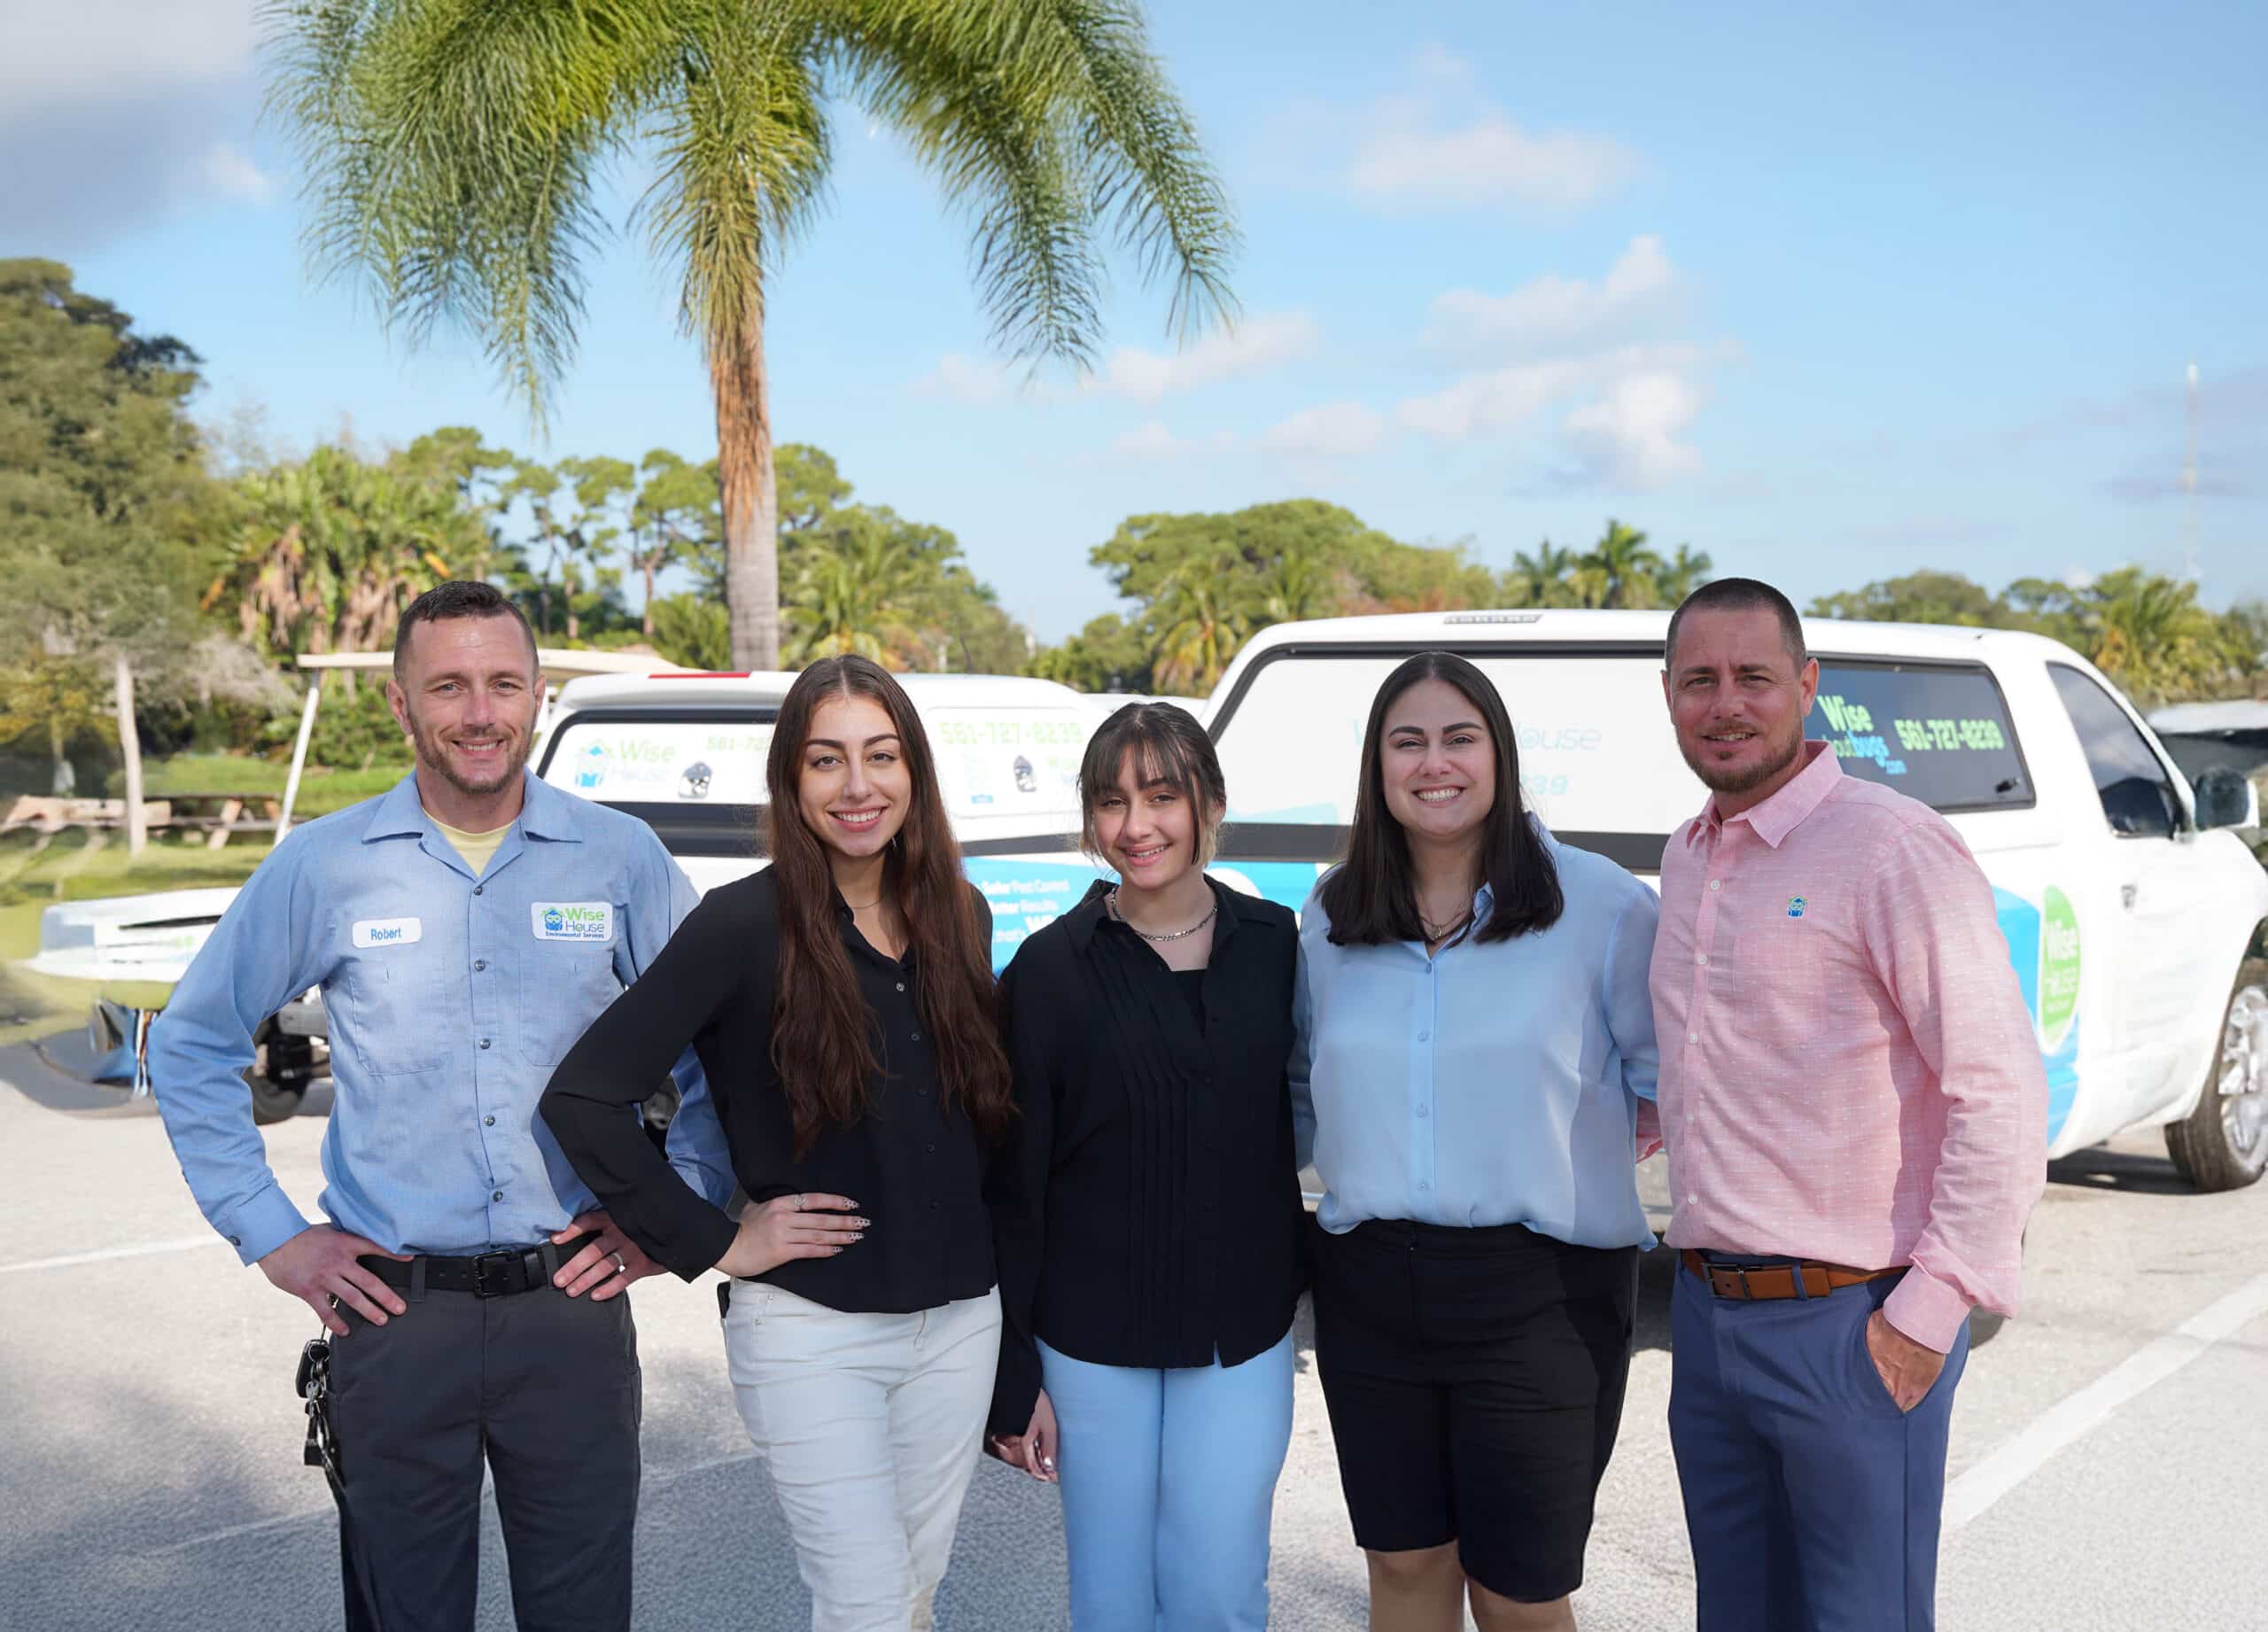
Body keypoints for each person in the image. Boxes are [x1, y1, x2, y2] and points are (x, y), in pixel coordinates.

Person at [148, 580, 725, 1632]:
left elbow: (718, 1056)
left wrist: (671, 1218)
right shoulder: (324, 867)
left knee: (584, 1613)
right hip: (392, 1319)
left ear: (539, 697)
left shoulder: (619, 859)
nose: (478, 712)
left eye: (503, 683)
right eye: (448, 686)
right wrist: (272, 1235)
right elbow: (189, 1042)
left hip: (573, 1312)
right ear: (401, 707)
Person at [540, 654, 1010, 1632]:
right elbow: (585, 1093)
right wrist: (717, 1241)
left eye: (880, 756)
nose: (857, 787)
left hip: (961, 1327)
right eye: (825, 760)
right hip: (810, 1333)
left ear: (914, 771)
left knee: (910, 1600)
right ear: (790, 782)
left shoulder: (960, 916)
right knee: (869, 1605)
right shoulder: (741, 925)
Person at [1651, 578, 2047, 1632]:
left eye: (1753, 677)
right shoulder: (1686, 858)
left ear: (1808, 687)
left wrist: (1928, 1312)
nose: (1724, 703)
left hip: (1853, 1324)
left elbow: (1999, 1089)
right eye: (1699, 680)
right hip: (1707, 1318)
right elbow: (1692, 1071)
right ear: (1666, 696)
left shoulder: (1892, 848)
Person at [1293, 652, 1660, 1632]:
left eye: (1460, 737)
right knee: (1404, 1570)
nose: (1433, 763)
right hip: (1369, 1288)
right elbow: (1302, 1081)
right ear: (1377, 767)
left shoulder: (1602, 905)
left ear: (1500, 755)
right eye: (1405, 742)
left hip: (1541, 1298)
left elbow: (1675, 1082)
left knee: (1518, 1593)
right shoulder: (1330, 916)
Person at [985, 703, 1304, 1632]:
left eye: (1161, 796)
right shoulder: (1048, 971)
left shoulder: (1278, 946)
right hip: (1088, 1345)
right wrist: (1016, 1376)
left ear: (1208, 801)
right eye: (1111, 801)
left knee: (1217, 1589)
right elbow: (1013, 1183)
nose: (1136, 826)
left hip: (1239, 1334)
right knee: (1113, 1601)